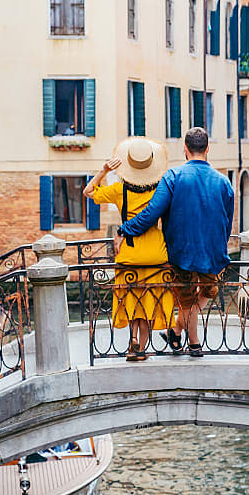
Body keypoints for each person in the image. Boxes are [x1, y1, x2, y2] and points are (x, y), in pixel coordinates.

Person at [115, 127, 234, 357]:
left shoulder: (173, 176)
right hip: (212, 251)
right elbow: (227, 221)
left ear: (185, 150)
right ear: (207, 149)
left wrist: (124, 229)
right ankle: (194, 342)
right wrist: (221, 244)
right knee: (200, 294)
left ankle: (177, 330)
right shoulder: (223, 182)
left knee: (198, 295)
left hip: (181, 251)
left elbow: (151, 214)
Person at [86, 138, 176, 361]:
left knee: (132, 300)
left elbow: (89, 191)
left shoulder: (119, 191)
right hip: (156, 253)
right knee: (148, 301)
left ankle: (133, 341)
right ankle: (141, 349)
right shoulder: (162, 190)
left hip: (129, 253)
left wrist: (105, 169)